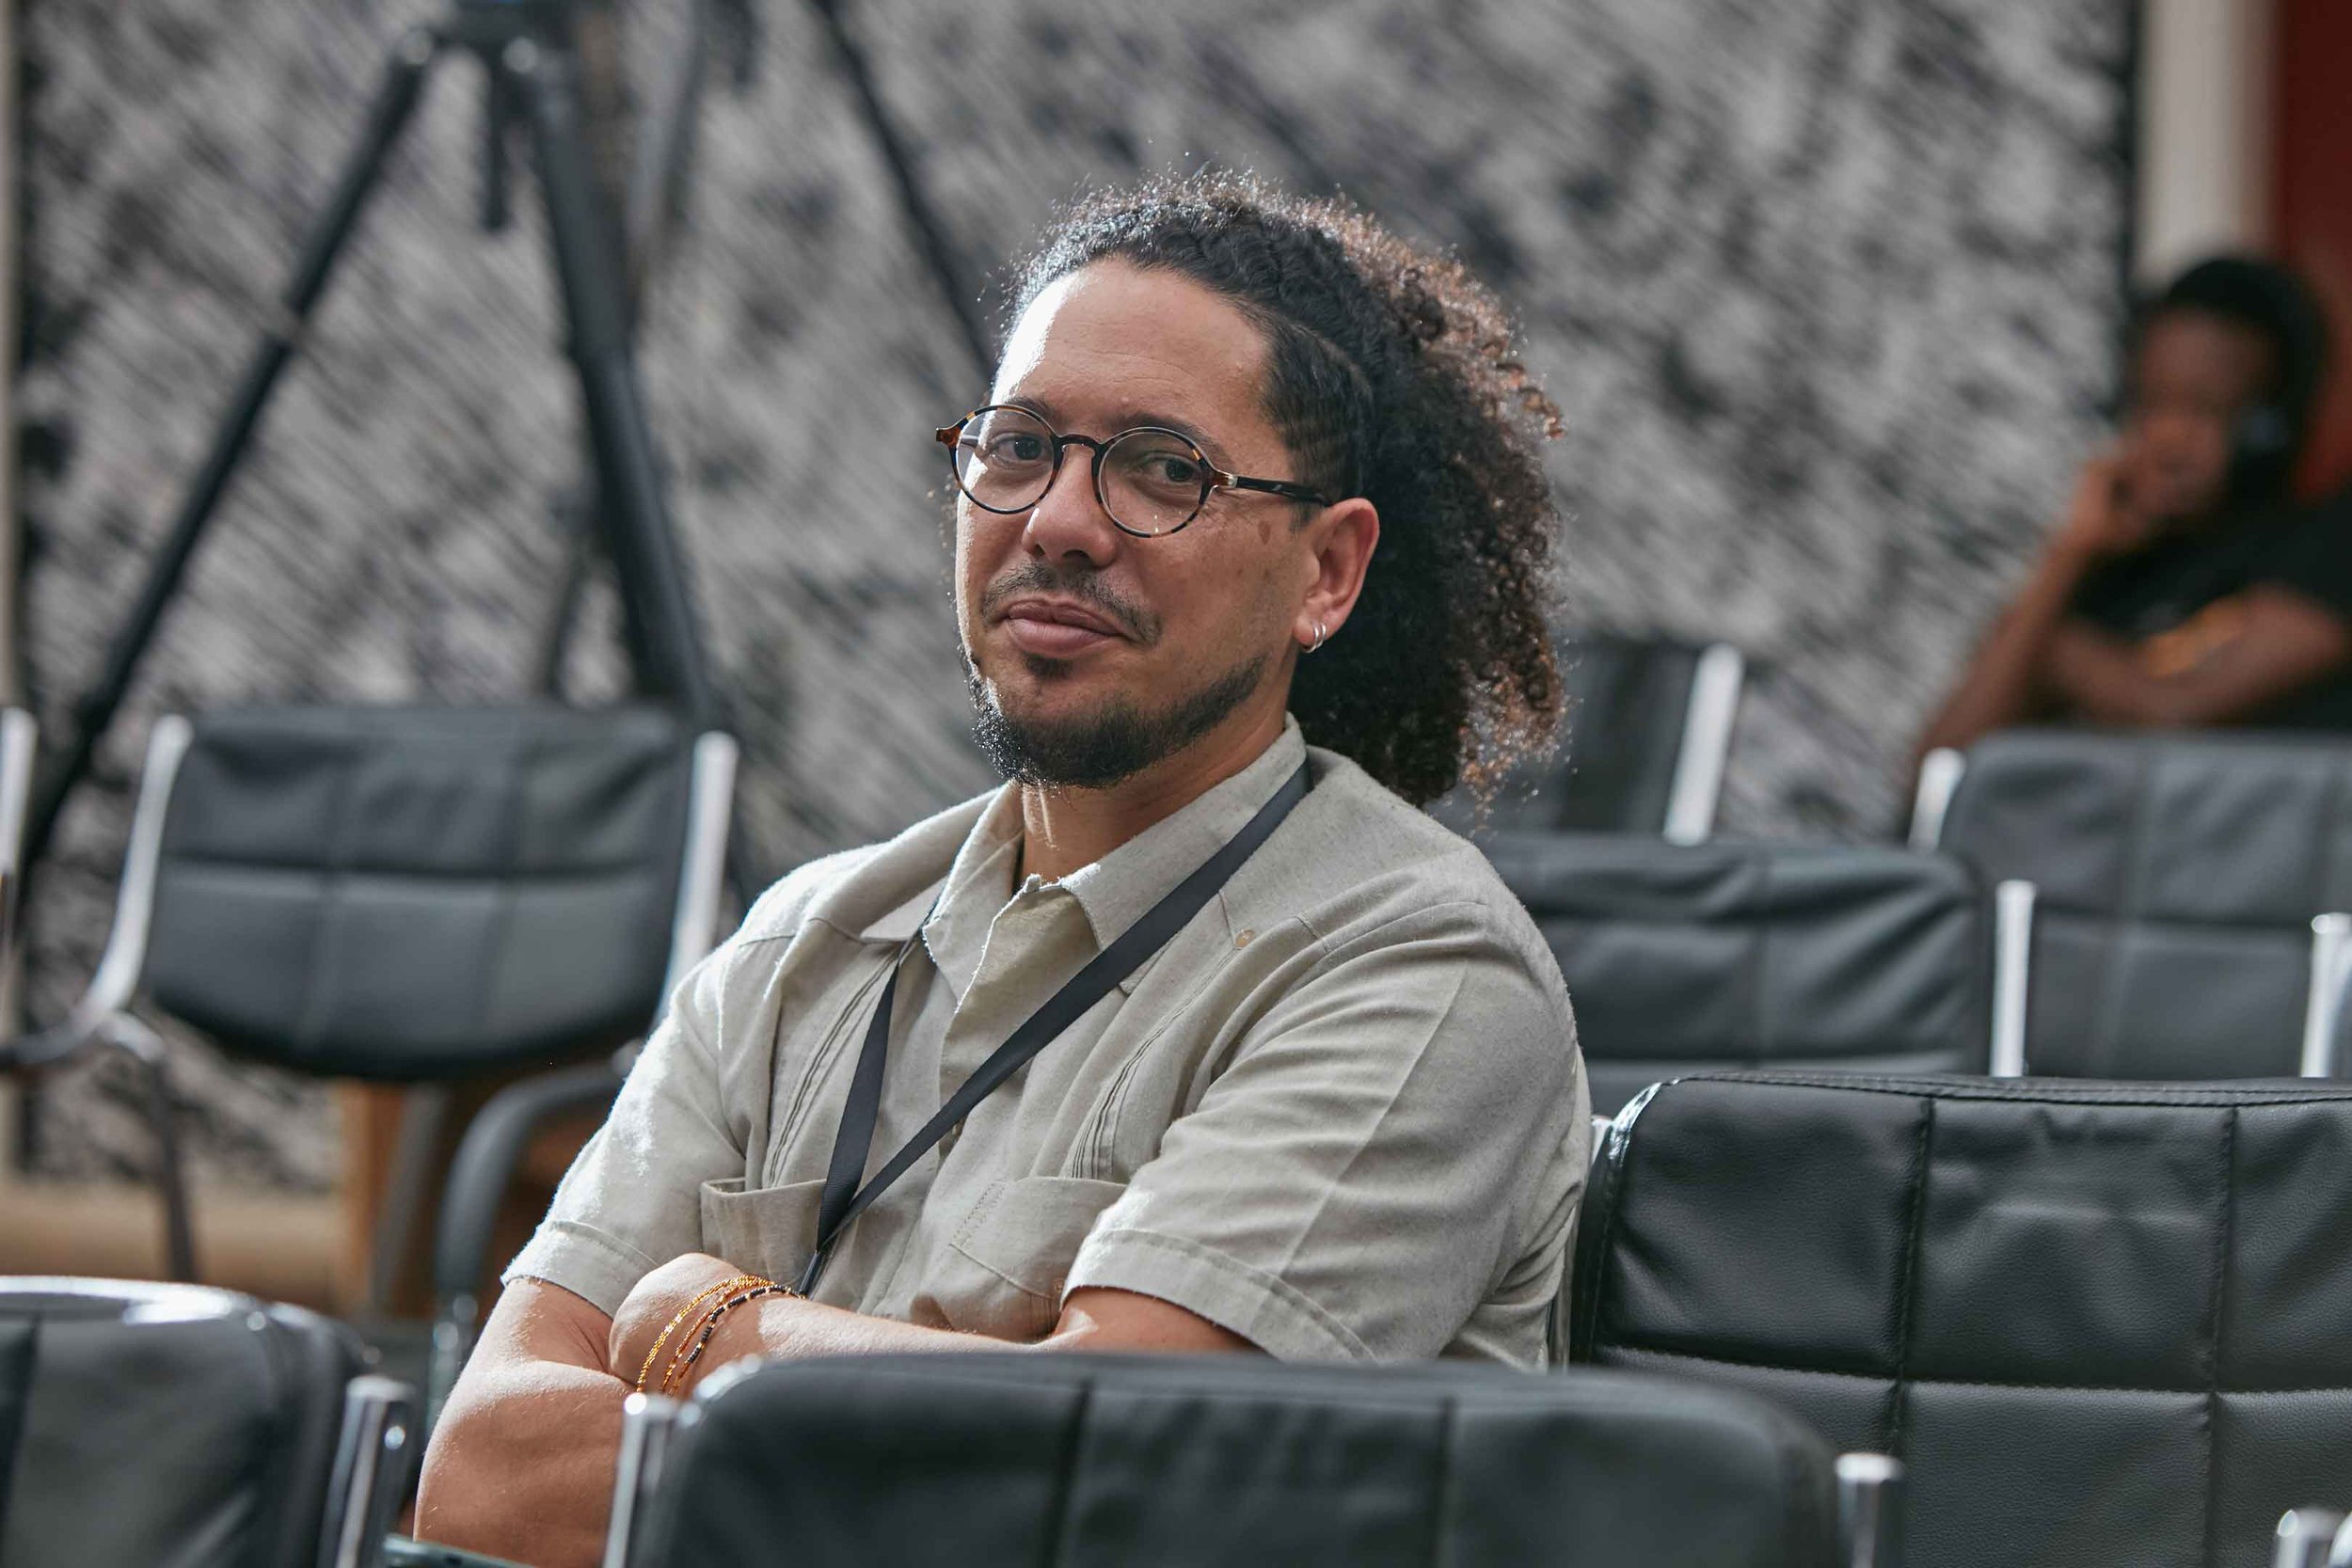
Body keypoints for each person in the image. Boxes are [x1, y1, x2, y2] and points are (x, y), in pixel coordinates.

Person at [418, 174, 1588, 1566]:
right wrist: (936, 1420)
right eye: (1020, 444)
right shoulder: (803, 941)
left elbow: (1094, 1484)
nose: (1061, 519)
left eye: (1164, 467)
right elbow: (481, 1473)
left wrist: (704, 1321)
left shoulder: (1420, 969)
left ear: (1325, 572)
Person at [1918, 256, 2352, 755]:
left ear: (2271, 428)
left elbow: (2178, 713)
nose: (2167, 438)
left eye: (2201, 409)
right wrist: (2070, 554)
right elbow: (1942, 767)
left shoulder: (2327, 547)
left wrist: (2061, 656)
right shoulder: (2117, 571)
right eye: (2151, 404)